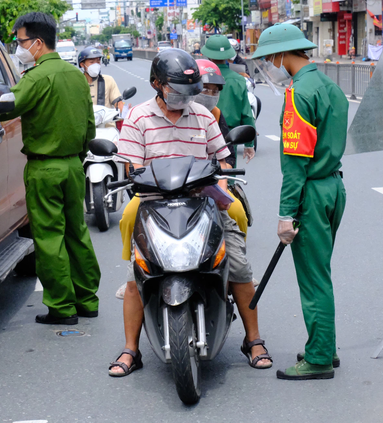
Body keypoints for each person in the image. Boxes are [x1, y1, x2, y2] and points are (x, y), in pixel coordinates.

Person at [108, 49, 272, 377]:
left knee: (237, 254)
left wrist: (223, 175)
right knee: (135, 267)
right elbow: (132, 166)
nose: (185, 98)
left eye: (190, 91)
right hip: (153, 198)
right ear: (157, 84)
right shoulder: (139, 117)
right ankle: (131, 349)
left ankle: (253, 340)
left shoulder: (203, 116)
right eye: (177, 90)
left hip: (202, 196)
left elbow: (223, 158)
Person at [0, 12, 101, 325]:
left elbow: (4, 109)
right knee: (77, 232)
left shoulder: (35, 78)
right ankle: (87, 299)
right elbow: (89, 127)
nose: (19, 47)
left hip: (45, 168)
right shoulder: (77, 76)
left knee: (50, 238)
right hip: (75, 166)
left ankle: (62, 308)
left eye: (21, 41)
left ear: (37, 43)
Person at [251, 23, 348, 380]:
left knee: (313, 280)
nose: (269, 64)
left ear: (281, 54)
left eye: (269, 57)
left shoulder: (298, 94)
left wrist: (285, 215)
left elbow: (294, 165)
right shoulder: (329, 87)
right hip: (334, 187)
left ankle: (320, 357)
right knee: (321, 273)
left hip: (309, 193)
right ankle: (325, 345)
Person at [201, 35, 256, 164]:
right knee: (228, 176)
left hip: (201, 133)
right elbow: (247, 115)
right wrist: (249, 144)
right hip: (229, 137)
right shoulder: (239, 80)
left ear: (208, 55)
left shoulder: (200, 77)